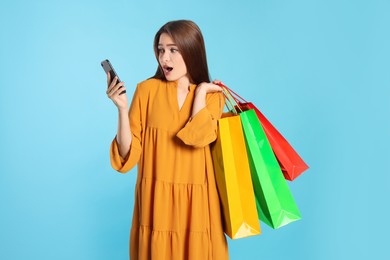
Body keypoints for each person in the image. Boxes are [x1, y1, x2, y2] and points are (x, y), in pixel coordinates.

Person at [106, 20, 229, 260]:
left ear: (191, 50)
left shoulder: (213, 96)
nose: (165, 58)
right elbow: (128, 154)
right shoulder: (146, 91)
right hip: (157, 206)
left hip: (198, 206)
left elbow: (199, 136)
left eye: (173, 50)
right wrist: (121, 109)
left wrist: (201, 91)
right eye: (161, 50)